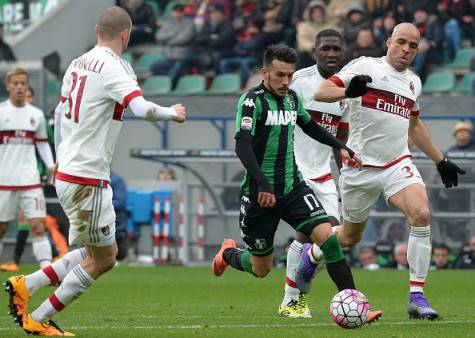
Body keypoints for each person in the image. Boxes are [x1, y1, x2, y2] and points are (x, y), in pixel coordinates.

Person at [4, 6, 186, 336]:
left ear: (96, 31)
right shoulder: (113, 68)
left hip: (71, 171)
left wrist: (58, 158)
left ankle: (25, 284)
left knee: (93, 250)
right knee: (104, 259)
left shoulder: (78, 62)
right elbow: (142, 109)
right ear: (126, 34)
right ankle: (39, 319)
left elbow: (59, 114)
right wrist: (172, 113)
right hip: (87, 177)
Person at [211, 43, 381, 325]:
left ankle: (355, 302)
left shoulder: (291, 99)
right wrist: (263, 184)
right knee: (261, 268)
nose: (286, 82)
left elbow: (310, 126)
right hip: (259, 195)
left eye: (290, 75)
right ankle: (228, 254)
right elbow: (242, 147)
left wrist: (342, 147)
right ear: (265, 72)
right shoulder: (251, 101)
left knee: (328, 238)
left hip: (293, 188)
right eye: (279, 75)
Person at [312, 22, 466, 320]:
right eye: (402, 42)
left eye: (413, 46)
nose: (406, 49)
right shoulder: (364, 66)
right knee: (348, 238)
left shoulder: (414, 82)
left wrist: (440, 160)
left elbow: (414, 124)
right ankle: (313, 254)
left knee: (421, 214)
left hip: (397, 164)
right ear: (388, 42)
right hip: (359, 168)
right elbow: (322, 92)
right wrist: (347, 89)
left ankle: (417, 297)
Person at [279, 29, 350, 318]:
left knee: (335, 236)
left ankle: (296, 289)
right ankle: (291, 300)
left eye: (336, 49)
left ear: (343, 51)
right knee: (310, 233)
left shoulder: (345, 89)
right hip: (295, 170)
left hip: (324, 174)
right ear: (315, 50)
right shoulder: (298, 82)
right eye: (325, 49)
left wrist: (345, 180)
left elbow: (340, 140)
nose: (331, 54)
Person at [0, 67, 54, 274]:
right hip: (4, 182)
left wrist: (51, 166)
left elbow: (42, 144)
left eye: (23, 83)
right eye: (16, 83)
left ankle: (48, 272)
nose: (20, 87)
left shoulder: (36, 115)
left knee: (38, 226)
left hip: (30, 182)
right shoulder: (1, 112)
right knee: (2, 229)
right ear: (8, 86)